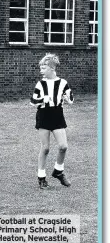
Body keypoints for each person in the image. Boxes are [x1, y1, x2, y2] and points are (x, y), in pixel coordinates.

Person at [30, 53, 73, 189]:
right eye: (41, 68)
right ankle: (41, 177)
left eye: (43, 68)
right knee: (46, 148)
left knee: (63, 146)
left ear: (52, 68)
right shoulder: (40, 84)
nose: (41, 71)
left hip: (57, 115)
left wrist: (67, 99)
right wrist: (44, 99)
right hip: (44, 115)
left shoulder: (63, 83)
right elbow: (33, 101)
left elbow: (71, 99)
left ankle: (58, 171)